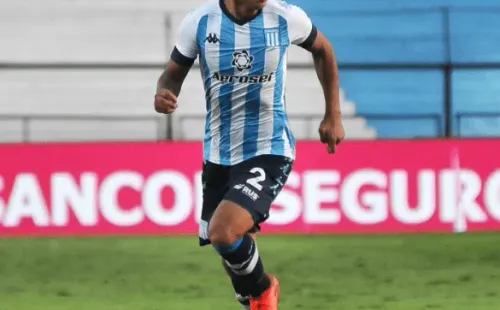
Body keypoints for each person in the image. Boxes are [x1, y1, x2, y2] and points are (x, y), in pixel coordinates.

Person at [154, 0, 344, 309]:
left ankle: (266, 290)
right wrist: (164, 93)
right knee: (234, 258)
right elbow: (172, 75)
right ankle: (253, 298)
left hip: (269, 148)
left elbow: (323, 49)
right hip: (218, 152)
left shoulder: (285, 17)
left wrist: (332, 114)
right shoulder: (200, 22)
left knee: (223, 233)